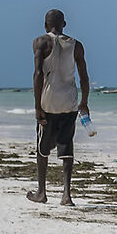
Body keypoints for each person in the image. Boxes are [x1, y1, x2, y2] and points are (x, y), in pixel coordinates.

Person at [30, 12, 89, 206]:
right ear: (64, 24)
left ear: (45, 24)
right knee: (67, 146)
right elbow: (84, 77)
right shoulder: (76, 45)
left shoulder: (40, 42)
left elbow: (38, 74)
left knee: (42, 148)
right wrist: (84, 102)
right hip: (69, 101)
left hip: (49, 101)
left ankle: (41, 192)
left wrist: (37, 106)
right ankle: (66, 195)